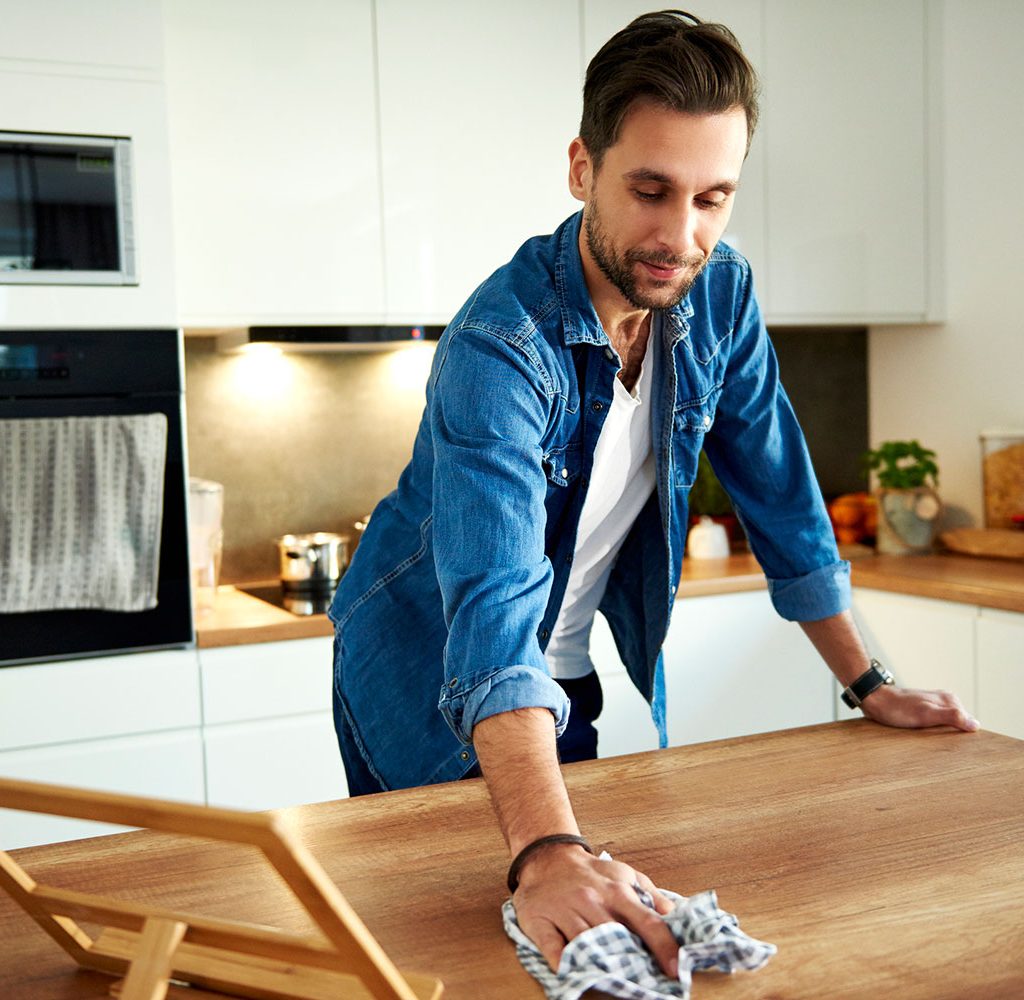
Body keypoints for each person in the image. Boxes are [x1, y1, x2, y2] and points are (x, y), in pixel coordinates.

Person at [329, 9, 977, 978]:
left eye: (713, 197)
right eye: (650, 190)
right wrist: (547, 848)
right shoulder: (500, 348)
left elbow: (780, 489)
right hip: (427, 672)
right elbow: (492, 611)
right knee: (453, 955)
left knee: (580, 943)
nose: (682, 236)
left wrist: (867, 683)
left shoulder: (716, 291)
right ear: (581, 168)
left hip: (559, 683)